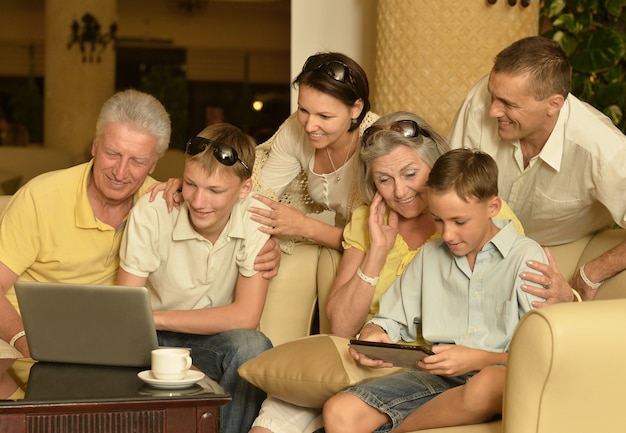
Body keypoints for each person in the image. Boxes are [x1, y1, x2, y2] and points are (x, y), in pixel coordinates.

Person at [249, 113, 523, 433]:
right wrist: (377, 251)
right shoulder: (369, 220)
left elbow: (517, 299)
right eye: (384, 179)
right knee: (271, 423)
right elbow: (342, 325)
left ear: (436, 167)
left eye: (410, 174)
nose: (400, 191)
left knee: (343, 414)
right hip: (373, 366)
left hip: (450, 367)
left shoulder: (478, 210)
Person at [0, 90, 279, 394]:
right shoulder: (42, 197)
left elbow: (206, 196)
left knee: (243, 348)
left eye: (137, 160)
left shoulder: (161, 200)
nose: (120, 172)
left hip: (107, 346)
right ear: (94, 145)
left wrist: (269, 244)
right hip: (25, 346)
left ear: (155, 164)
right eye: (112, 153)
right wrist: (24, 342)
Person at [157, 52, 379, 344]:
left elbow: (380, 236)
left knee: (332, 265)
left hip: (376, 241)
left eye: (324, 116)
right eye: (304, 110)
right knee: (269, 258)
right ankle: (273, 370)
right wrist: (195, 188)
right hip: (344, 234)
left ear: (356, 109)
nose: (310, 125)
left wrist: (303, 227)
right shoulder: (296, 131)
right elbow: (258, 193)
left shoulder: (376, 142)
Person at [322, 148, 547, 432]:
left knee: (486, 384)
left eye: (459, 222)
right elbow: (390, 319)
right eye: (438, 220)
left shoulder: (526, 257)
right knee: (339, 411)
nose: (448, 234)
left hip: (501, 373)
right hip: (437, 376)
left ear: (492, 207)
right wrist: (374, 335)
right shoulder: (430, 255)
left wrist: (480, 358)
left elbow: (544, 351)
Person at [117, 123, 273, 433]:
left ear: (244, 190)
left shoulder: (257, 216)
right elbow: (126, 313)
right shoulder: (154, 210)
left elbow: (247, 315)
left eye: (215, 191)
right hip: (150, 339)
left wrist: (155, 317)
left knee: (252, 346)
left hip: (203, 338)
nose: (199, 201)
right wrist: (151, 326)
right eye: (191, 184)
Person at [447, 35, 626, 302]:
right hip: (471, 245)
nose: (493, 111)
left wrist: (591, 272)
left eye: (508, 104)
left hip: (556, 254)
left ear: (553, 104)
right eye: (492, 95)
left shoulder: (603, 149)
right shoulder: (481, 102)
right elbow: (449, 192)